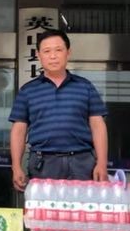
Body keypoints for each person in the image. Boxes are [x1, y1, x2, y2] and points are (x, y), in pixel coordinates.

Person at [9, 28, 108, 190]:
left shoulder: (85, 86)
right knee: (45, 206)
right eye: (47, 51)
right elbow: (18, 130)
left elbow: (98, 126)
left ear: (68, 53)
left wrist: (102, 163)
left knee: (82, 206)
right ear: (38, 55)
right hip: (44, 163)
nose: (53, 56)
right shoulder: (28, 90)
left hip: (82, 162)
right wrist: (16, 167)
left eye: (58, 50)